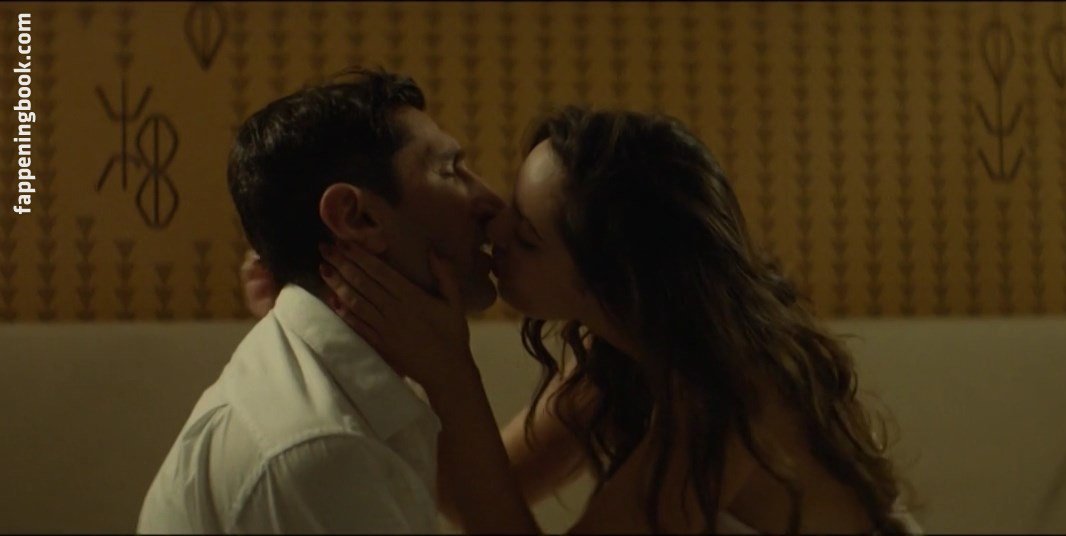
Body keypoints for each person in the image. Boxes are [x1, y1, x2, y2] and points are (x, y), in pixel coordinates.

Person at [319, 106, 922, 533]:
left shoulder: (732, 392)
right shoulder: (618, 360)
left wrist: (452, 373)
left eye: (526, 237)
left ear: (615, 283)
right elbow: (470, 494)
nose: (495, 227)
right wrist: (383, 342)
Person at [137, 67, 524, 533]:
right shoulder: (323, 448)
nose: (492, 202)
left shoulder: (327, 395)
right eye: (448, 169)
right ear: (356, 217)